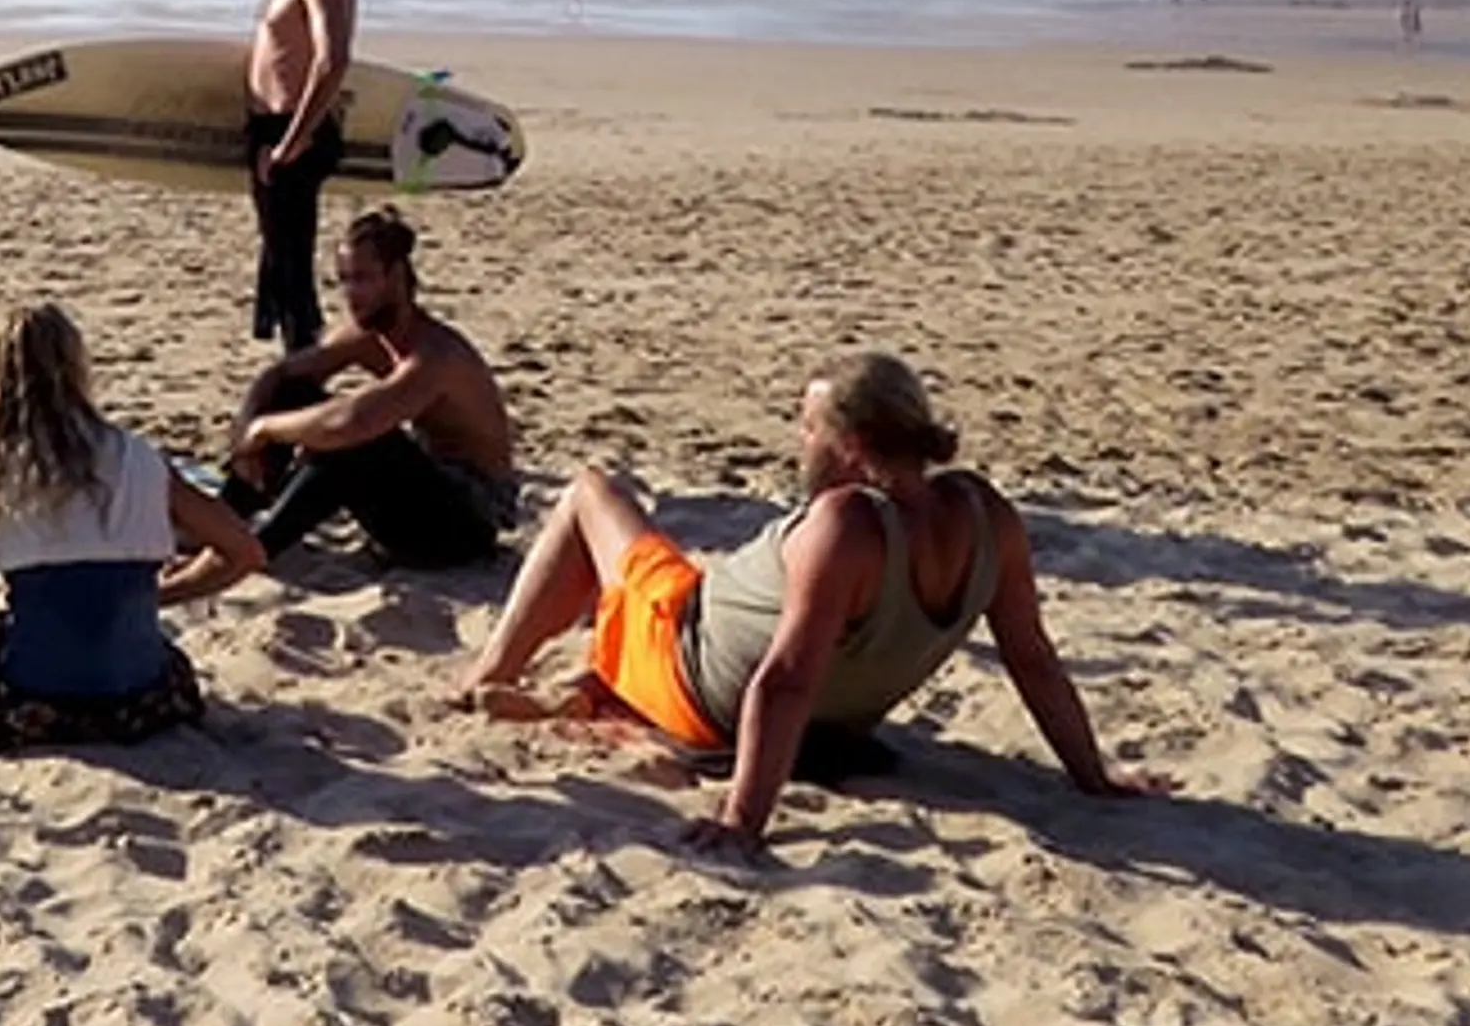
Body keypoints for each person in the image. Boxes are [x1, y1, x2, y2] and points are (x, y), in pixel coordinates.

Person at [451, 350, 1167, 851]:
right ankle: (587, 688)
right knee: (675, 575)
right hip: (830, 730)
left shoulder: (849, 525)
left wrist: (742, 819)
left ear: (851, 444)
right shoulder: (987, 516)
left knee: (589, 495)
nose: (800, 441)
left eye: (808, 427)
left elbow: (787, 677)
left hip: (691, 675)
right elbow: (1032, 658)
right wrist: (1092, 777)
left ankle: (489, 675)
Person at [0, 301, 268, 751]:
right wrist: (162, 595)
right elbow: (245, 552)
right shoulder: (140, 460)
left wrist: (21, 626)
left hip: (35, 706)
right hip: (146, 701)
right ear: (77, 368)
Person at [222, 208, 517, 567]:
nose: (351, 293)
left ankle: (255, 549)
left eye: (362, 279)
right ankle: (226, 517)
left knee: (353, 439)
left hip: (465, 525)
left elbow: (353, 423)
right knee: (293, 393)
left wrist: (265, 429)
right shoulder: (367, 333)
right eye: (343, 280)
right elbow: (279, 375)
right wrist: (245, 437)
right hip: (420, 494)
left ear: (396, 276)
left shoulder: (435, 354)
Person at [244, 0, 356, 345]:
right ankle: (296, 370)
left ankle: (303, 377)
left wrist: (293, 142)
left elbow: (332, 62)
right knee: (279, 263)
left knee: (291, 267)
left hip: (296, 134)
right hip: (272, 130)